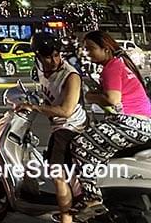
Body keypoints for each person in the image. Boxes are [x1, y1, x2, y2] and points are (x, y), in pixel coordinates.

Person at [65, 30, 151, 221]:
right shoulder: (119, 65)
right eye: (85, 49)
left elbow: (113, 99)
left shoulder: (112, 67)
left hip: (132, 123)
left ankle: (92, 199)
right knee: (98, 149)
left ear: (106, 49)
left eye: (91, 48)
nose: (87, 52)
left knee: (79, 145)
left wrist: (90, 95)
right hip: (139, 122)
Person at [16, 32, 85, 223]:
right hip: (59, 126)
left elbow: (65, 110)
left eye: (56, 55)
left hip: (71, 126)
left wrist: (35, 107)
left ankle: (66, 218)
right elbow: (42, 91)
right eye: (48, 56)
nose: (54, 60)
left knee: (57, 175)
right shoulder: (39, 70)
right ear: (37, 57)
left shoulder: (71, 76)